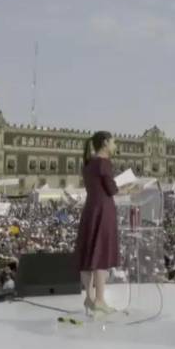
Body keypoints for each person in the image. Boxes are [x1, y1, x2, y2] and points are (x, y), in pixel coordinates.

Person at [74, 131, 120, 316]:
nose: (115, 146)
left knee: (88, 255)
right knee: (101, 255)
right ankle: (100, 300)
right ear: (105, 142)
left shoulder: (88, 163)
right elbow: (111, 189)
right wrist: (130, 188)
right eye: (113, 142)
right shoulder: (104, 163)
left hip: (90, 209)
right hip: (103, 210)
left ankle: (89, 297)